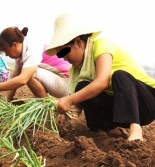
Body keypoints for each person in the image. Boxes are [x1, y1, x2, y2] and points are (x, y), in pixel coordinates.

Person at [45, 11, 155, 141]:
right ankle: (112, 131)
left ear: (78, 42)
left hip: (146, 103)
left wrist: (69, 100)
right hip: (121, 107)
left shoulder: (101, 45)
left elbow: (102, 81)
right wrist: (63, 112)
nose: (63, 57)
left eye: (64, 51)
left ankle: (136, 131)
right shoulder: (77, 69)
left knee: (119, 75)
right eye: (60, 54)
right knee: (82, 86)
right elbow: (77, 97)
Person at [0, 26, 70, 101]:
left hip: (67, 84)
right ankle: (44, 104)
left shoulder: (32, 48)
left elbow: (22, 79)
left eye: (6, 51)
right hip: (55, 81)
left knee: (29, 74)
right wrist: (6, 101)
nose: (7, 55)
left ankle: (47, 107)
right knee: (27, 73)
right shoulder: (19, 57)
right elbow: (14, 79)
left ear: (14, 45)